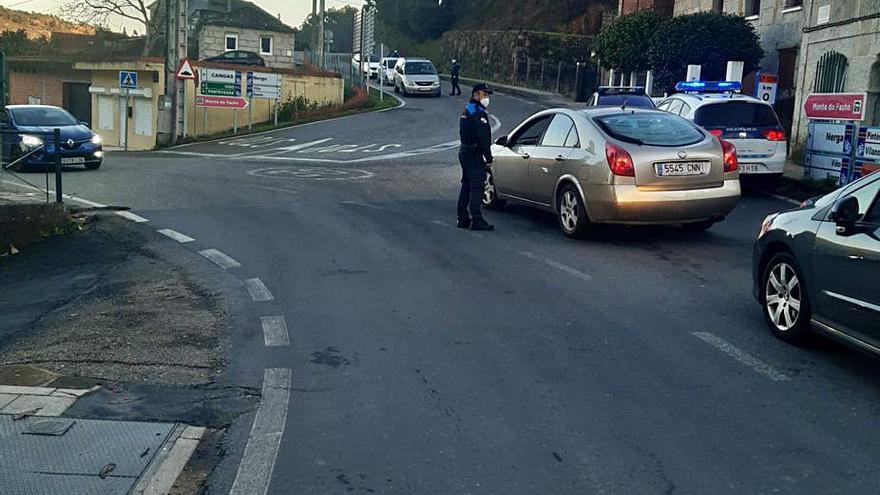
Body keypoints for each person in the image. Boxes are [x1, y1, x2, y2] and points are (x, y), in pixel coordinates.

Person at [457, 83, 495, 231]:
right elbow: (483, 137)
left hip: (464, 151)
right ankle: (477, 219)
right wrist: (489, 158)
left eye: (487, 95)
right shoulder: (478, 112)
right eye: (484, 94)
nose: (486, 98)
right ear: (476, 95)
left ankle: (462, 218)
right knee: (477, 186)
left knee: (466, 185)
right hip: (473, 154)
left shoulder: (468, 109)